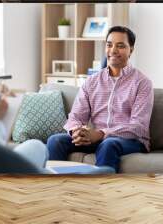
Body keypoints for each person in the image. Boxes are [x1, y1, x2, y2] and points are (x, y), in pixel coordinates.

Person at [47, 26, 154, 172]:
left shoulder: (142, 83)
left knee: (109, 143)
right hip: (96, 139)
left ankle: (102, 192)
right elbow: (75, 116)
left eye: (120, 46)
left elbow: (138, 126)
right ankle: (56, 189)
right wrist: (76, 131)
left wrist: (101, 133)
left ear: (131, 49)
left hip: (131, 140)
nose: (113, 50)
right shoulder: (91, 81)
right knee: (56, 140)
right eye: (109, 45)